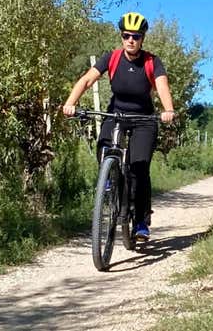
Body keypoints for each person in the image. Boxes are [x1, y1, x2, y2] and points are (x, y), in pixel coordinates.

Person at [62, 12, 175, 240]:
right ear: (121, 36)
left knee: (139, 168)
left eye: (135, 36)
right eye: (126, 35)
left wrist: (168, 110)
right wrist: (70, 103)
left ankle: (141, 219)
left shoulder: (152, 62)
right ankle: (110, 179)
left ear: (142, 38)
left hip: (144, 120)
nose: (130, 40)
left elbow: (162, 87)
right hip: (116, 114)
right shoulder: (112, 58)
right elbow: (87, 80)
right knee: (103, 145)